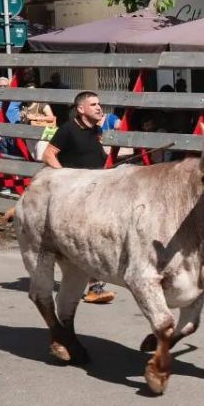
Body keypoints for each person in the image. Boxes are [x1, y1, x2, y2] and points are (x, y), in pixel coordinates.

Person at [43, 91, 115, 304]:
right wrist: (64, 177)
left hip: (96, 191)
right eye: (93, 104)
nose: (99, 108)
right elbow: (48, 154)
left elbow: (95, 156)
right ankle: (94, 286)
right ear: (81, 109)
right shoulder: (68, 130)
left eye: (99, 104)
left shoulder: (96, 130)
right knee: (89, 239)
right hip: (75, 195)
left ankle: (93, 283)